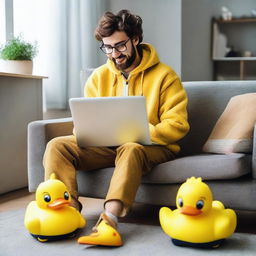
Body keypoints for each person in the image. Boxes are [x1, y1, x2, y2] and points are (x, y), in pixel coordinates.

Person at [43, 9, 190, 246]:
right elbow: (87, 119)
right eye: (107, 47)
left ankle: (108, 221)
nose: (114, 54)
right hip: (107, 145)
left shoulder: (166, 76)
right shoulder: (98, 77)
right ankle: (65, 213)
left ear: (135, 39)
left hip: (152, 147)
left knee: (130, 146)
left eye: (120, 46)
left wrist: (140, 133)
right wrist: (85, 132)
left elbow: (178, 125)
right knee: (57, 146)